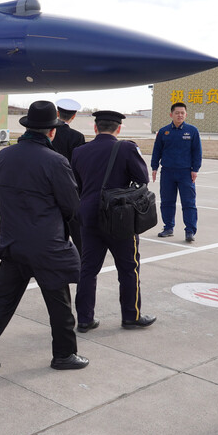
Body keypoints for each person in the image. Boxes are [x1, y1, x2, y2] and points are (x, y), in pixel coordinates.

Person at [0, 101, 88, 371]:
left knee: (1, 302)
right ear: (52, 131)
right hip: (47, 246)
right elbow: (71, 207)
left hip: (12, 242)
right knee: (59, 306)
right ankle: (64, 355)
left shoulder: (5, 156)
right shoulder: (56, 161)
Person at [72, 110, 155, 332]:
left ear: (95, 127)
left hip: (89, 215)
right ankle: (131, 316)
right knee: (128, 268)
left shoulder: (79, 152)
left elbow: (77, 184)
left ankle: (85, 319)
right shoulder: (126, 147)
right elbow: (142, 179)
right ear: (118, 129)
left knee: (88, 269)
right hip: (120, 217)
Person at [151, 102, 202, 242]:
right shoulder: (164, 131)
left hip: (186, 173)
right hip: (167, 172)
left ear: (186, 114)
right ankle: (168, 227)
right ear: (171, 114)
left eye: (182, 113)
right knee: (167, 201)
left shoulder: (192, 131)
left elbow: (197, 152)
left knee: (189, 203)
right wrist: (154, 167)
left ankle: (190, 230)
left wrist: (195, 169)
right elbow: (157, 150)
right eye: (177, 113)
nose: (180, 115)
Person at [50, 97, 86, 256]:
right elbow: (80, 165)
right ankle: (82, 257)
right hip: (70, 187)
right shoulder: (77, 137)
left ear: (58, 113)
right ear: (74, 116)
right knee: (77, 230)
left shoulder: (49, 131)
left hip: (49, 187)